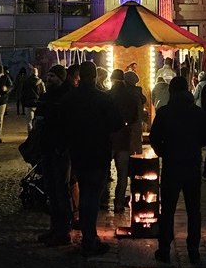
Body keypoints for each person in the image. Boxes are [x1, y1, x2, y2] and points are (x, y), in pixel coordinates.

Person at [62, 61, 122, 256]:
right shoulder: (103, 99)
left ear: (80, 76)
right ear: (95, 76)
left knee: (85, 191)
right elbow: (116, 124)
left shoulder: (70, 98)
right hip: (98, 152)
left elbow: (62, 123)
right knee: (92, 195)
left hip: (78, 152)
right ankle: (89, 237)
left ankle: (87, 233)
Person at [149, 75, 206, 265]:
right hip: (191, 164)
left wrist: (163, 151)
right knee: (194, 210)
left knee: (167, 209)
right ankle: (193, 250)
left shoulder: (165, 112)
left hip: (172, 164)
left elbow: (154, 137)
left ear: (171, 91)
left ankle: (165, 249)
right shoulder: (198, 112)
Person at [35, 65, 74, 247]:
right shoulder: (46, 96)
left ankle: (63, 230)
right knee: (51, 189)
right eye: (48, 75)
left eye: (53, 76)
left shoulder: (67, 97)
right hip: (46, 147)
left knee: (60, 189)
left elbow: (68, 124)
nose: (49, 79)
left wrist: (63, 144)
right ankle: (54, 227)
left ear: (61, 78)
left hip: (60, 149)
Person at [106, 68, 144, 212]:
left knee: (104, 172)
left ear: (111, 79)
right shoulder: (131, 96)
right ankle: (119, 203)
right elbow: (136, 117)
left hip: (108, 140)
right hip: (124, 139)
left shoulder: (107, 95)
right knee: (123, 174)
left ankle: (102, 201)